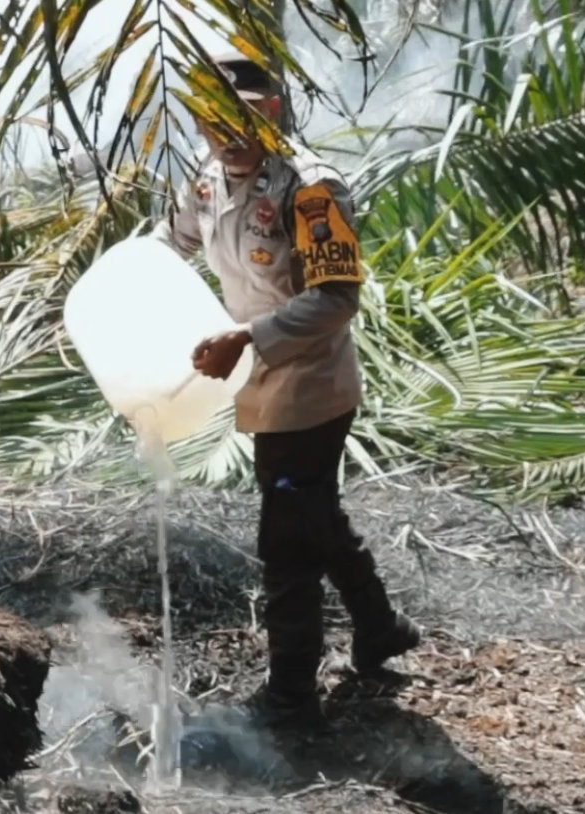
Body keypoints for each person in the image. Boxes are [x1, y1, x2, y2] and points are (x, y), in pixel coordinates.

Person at [150, 51, 421, 728]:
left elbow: (336, 299)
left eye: (240, 120)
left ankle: (291, 694)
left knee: (286, 541)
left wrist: (247, 338)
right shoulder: (207, 180)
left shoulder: (309, 189)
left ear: (270, 112)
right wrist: (132, 281)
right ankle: (381, 626)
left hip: (311, 382)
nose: (225, 137)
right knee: (312, 513)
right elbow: (172, 240)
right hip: (257, 375)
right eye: (211, 123)